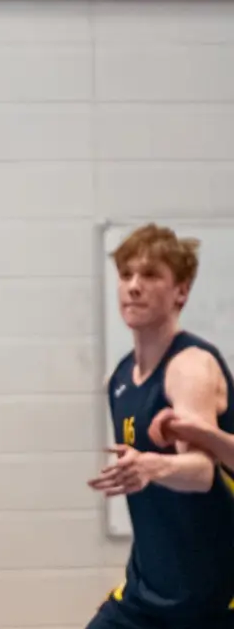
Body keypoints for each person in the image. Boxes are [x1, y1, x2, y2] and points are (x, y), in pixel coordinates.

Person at [87, 224, 234, 629]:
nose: (134, 286)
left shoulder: (189, 368)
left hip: (212, 600)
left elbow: (203, 473)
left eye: (150, 275)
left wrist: (153, 466)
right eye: (126, 274)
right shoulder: (118, 379)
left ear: (181, 291)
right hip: (146, 596)